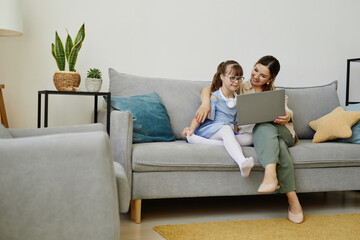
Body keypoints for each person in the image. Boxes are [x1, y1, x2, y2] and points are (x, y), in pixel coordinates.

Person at [195, 56, 304, 224]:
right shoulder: (240, 87)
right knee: (275, 144)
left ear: (270, 79)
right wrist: (205, 103)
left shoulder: (276, 93)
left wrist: (287, 115)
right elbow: (210, 88)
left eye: (263, 75)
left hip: (284, 133)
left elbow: (287, 111)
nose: (256, 76)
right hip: (262, 138)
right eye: (255, 70)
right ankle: (293, 199)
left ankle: (270, 176)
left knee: (263, 127)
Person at [182, 60, 254, 177]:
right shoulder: (214, 97)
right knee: (225, 129)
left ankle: (199, 141)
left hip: (228, 132)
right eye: (232, 78)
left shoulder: (238, 100)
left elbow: (236, 123)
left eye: (239, 78)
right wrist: (191, 128)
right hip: (211, 129)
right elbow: (198, 117)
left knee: (251, 138)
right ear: (222, 77)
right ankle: (242, 162)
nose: (236, 82)